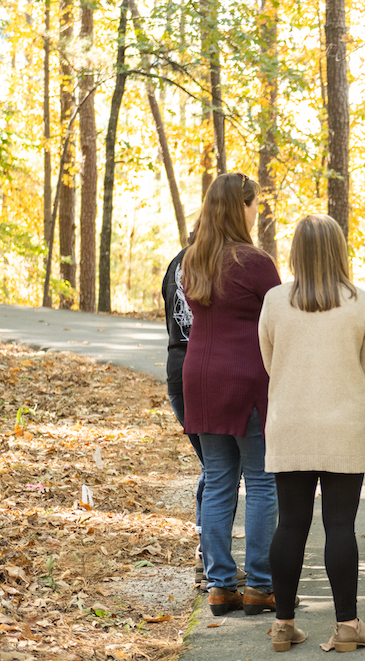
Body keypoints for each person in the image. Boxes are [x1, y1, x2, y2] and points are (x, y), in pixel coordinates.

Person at [259, 214, 365, 652]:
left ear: (296, 251)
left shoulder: (275, 301)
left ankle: (283, 625)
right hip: (343, 424)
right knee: (340, 525)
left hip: (289, 424)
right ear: (339, 249)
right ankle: (348, 626)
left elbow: (269, 360)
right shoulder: (361, 301)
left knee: (290, 524)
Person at [181, 172, 281, 617]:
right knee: (261, 480)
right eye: (253, 203)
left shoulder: (192, 260)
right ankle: (260, 584)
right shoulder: (254, 262)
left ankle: (221, 585)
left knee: (219, 481)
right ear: (240, 207)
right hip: (246, 378)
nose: (255, 209)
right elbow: (282, 318)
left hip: (200, 378)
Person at [161, 227, 209, 583]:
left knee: (214, 465)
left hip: (177, 375)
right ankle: (209, 558)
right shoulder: (213, 264)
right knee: (220, 468)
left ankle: (207, 555)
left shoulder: (175, 263)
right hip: (203, 372)